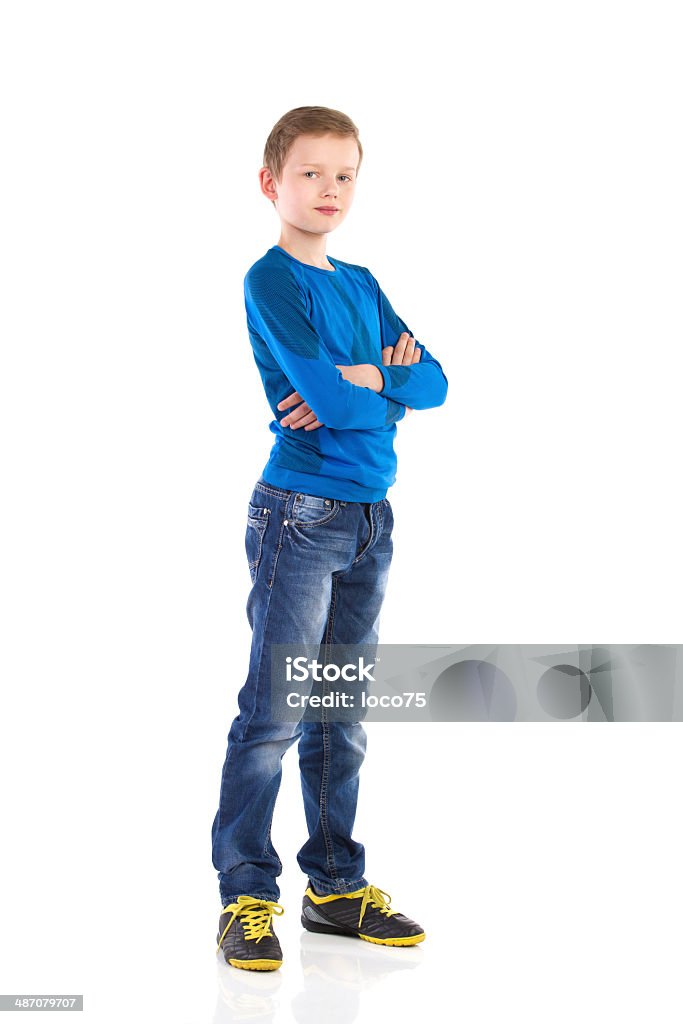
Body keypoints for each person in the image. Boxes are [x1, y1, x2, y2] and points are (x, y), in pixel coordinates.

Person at [211, 106, 448, 971]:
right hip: (299, 518)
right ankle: (245, 893)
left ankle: (335, 889)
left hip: (370, 520)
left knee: (340, 715)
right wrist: (378, 388)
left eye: (344, 174)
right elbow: (350, 401)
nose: (329, 190)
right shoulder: (271, 280)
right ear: (272, 183)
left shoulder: (362, 279)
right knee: (274, 713)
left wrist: (369, 381)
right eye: (311, 173)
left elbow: (438, 383)